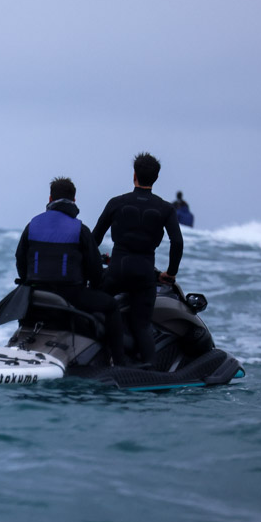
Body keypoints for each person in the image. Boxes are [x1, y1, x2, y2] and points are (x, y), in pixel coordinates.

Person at [16, 177, 128, 366]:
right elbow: (94, 270)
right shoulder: (80, 229)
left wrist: (29, 281)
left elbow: (20, 260)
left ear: (50, 198)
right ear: (74, 201)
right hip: (69, 294)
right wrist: (96, 286)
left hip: (35, 293)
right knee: (111, 306)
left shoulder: (32, 225)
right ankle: (119, 362)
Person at [92, 152, 184, 365]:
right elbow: (177, 242)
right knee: (141, 325)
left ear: (134, 175)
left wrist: (90, 261)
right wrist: (170, 273)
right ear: (156, 177)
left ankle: (97, 357)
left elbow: (94, 238)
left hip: (117, 270)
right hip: (144, 273)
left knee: (93, 308)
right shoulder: (165, 208)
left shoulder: (117, 202)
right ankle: (148, 370)